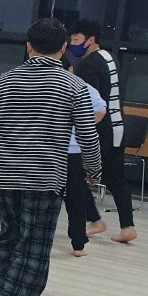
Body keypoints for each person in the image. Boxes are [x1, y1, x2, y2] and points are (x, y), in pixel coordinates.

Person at [0, 18, 101, 296]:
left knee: (9, 236)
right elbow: (88, 136)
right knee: (33, 246)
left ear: (28, 46)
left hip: (7, 176)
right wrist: (93, 171)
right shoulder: (74, 87)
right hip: (45, 179)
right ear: (63, 48)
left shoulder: (3, 82)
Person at [69, 19, 137, 243]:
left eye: (76, 39)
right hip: (118, 128)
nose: (72, 43)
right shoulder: (110, 57)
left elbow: (91, 103)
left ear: (91, 40)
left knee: (74, 177)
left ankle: (95, 220)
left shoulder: (87, 65)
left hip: (100, 130)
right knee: (117, 180)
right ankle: (127, 227)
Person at [62, 65, 106, 257]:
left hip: (70, 150)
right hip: (55, 149)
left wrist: (81, 124)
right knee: (74, 198)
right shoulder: (78, 86)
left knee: (75, 197)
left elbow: (100, 109)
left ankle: (78, 243)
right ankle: (78, 243)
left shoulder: (81, 87)